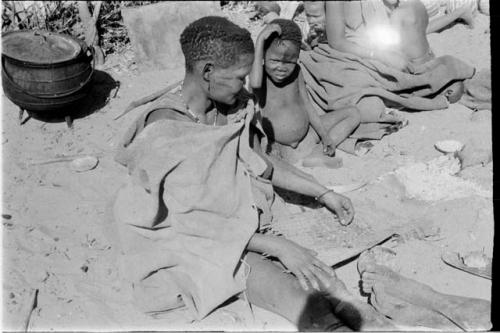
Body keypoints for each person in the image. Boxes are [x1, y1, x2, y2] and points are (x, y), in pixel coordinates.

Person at [114, 16, 391, 331]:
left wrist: (322, 193)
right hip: (192, 237)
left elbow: (260, 161)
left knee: (326, 280)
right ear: (207, 72)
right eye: (238, 77)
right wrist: (279, 247)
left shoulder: (229, 108)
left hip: (235, 222)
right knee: (302, 299)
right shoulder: (167, 130)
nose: (245, 85)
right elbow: (193, 223)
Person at [320, 0, 471, 123]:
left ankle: (459, 13)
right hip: (360, 52)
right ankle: (421, 84)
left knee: (413, 11)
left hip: (384, 42)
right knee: (367, 103)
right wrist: (379, 55)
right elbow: (337, 42)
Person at [249, 18, 361, 161]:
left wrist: (324, 135)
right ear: (263, 55)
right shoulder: (260, 76)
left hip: (308, 135)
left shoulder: (296, 72)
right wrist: (259, 41)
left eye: (289, 62)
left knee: (353, 113)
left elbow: (307, 105)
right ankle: (312, 154)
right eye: (275, 61)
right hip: (278, 145)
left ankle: (321, 151)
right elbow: (255, 83)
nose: (281, 68)